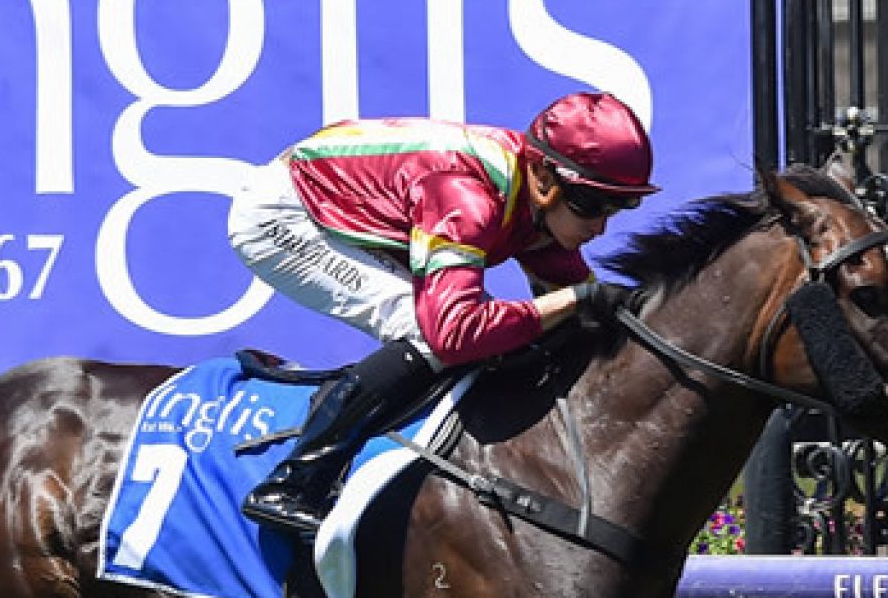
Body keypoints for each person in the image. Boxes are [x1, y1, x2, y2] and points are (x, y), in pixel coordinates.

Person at [226, 90, 659, 535]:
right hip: (284, 215)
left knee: (510, 330)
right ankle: (294, 483)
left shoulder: (534, 198)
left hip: (351, 198)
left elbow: (588, 316)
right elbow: (452, 333)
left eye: (619, 205)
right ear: (544, 179)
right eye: (590, 203)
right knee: (428, 331)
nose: (601, 225)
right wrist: (573, 302)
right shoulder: (466, 200)